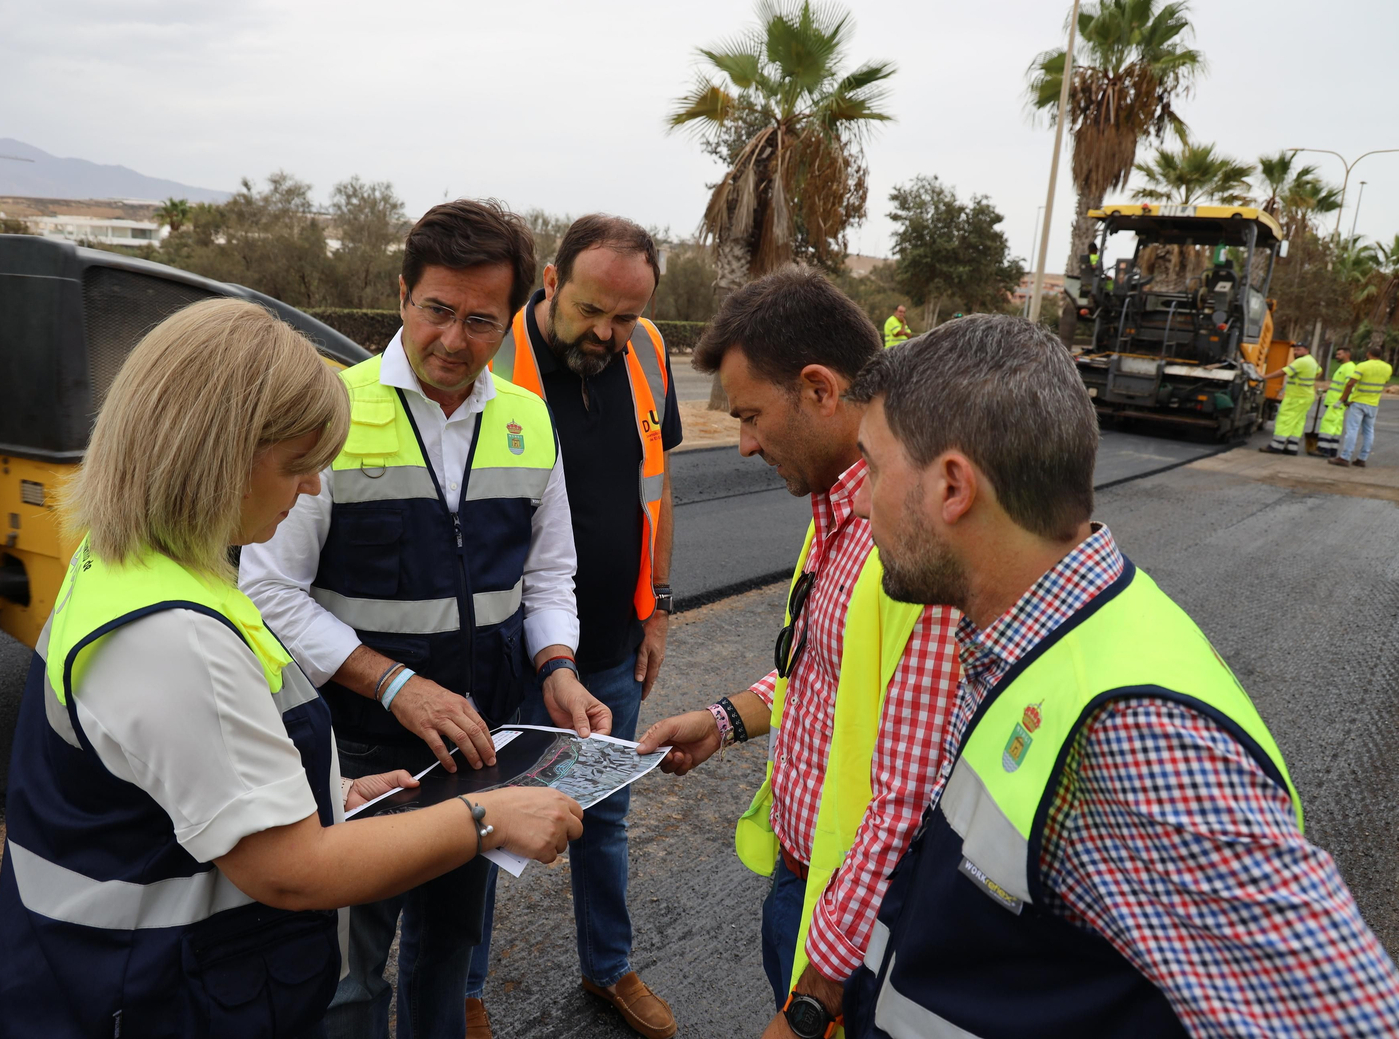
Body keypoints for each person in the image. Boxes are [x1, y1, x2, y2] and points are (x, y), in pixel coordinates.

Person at [0, 298, 584, 1039]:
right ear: (213, 456)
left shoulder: (134, 561)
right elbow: (293, 871)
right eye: (299, 465)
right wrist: (487, 816)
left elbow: (188, 770)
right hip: (148, 997)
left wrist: (327, 793)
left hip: (95, 974)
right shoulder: (173, 637)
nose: (309, 489)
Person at [840, 314, 1399, 1038]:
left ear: (953, 487)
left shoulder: (1135, 737)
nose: (857, 499)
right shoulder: (1034, 633)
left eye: (875, 467)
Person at [240, 200, 611, 1039]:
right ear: (402, 293)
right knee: (348, 974)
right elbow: (268, 592)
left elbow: (550, 572)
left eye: (481, 321)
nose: (453, 340)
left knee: (448, 951)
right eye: (436, 310)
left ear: (513, 316)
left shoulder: (526, 417)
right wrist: (399, 685)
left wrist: (557, 667)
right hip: (359, 751)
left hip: (482, 745)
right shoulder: (330, 412)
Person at [636, 267, 962, 1039]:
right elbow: (819, 673)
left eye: (750, 416)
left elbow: (909, 796)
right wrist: (723, 721)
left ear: (819, 389)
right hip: (802, 886)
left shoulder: (910, 542)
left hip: (857, 932)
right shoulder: (834, 513)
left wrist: (815, 995)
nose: (743, 445)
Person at [467, 215, 681, 1039]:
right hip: (504, 654)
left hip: (612, 646)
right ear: (550, 281)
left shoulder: (650, 350)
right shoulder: (493, 359)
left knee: (608, 814)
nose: (608, 334)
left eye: (626, 317)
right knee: (485, 821)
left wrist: (658, 604)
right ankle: (462, 986)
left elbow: (657, 488)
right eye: (593, 311)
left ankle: (609, 969)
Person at [1331, 342, 1393, 468]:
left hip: (1358, 402)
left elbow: (1350, 383)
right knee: (1369, 431)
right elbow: (1385, 381)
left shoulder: (1362, 366)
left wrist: (1342, 399)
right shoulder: (1387, 367)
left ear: (1368, 354)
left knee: (1352, 430)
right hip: (1373, 403)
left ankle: (1345, 457)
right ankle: (1362, 458)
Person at [1259, 341, 1319, 455]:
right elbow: (1318, 372)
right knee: (1297, 422)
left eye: (1299, 349)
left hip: (1296, 396)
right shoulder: (1312, 361)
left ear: (1306, 350)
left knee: (1285, 420)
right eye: (1295, 350)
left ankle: (1276, 445)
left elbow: (1283, 371)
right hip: (1306, 395)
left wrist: (1265, 377)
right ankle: (1292, 446)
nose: (1296, 352)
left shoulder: (1301, 361)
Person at [1315, 346, 1356, 456]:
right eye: (1337, 354)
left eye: (1339, 354)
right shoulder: (1344, 367)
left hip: (1337, 402)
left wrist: (1342, 400)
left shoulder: (1349, 368)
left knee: (1327, 423)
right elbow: (1339, 385)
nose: (1336, 356)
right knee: (1336, 426)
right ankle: (1332, 449)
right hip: (1337, 401)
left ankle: (1323, 449)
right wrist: (1325, 389)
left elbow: (1350, 384)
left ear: (1347, 355)